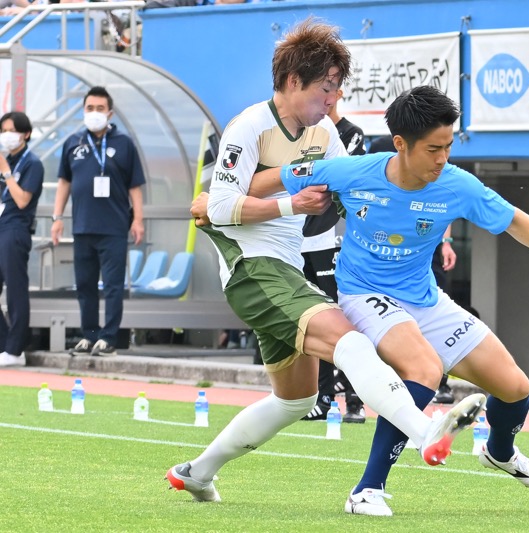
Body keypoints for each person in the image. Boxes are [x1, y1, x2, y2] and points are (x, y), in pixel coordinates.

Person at [226, 85, 529, 516]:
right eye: (433, 149)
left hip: (425, 299)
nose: (443, 158)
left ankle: (500, 452)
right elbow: (265, 181)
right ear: (400, 144)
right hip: (363, 293)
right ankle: (367, 490)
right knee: (424, 370)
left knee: (516, 390)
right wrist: (220, 201)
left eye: (448, 146)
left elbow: (514, 221)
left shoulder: (457, 185)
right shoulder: (352, 172)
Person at [173, 19, 486, 504]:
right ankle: (425, 435)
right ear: (294, 81)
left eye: (337, 90)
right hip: (252, 269)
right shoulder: (248, 127)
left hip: (286, 271)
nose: (331, 101)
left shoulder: (323, 132)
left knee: (295, 399)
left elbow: (349, 185)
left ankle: (198, 472)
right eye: (326, 89)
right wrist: (289, 205)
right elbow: (214, 207)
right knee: (351, 341)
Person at [51, 86, 146, 357]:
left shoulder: (124, 144)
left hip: (114, 228)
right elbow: (63, 183)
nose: (94, 113)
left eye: (100, 109)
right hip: (82, 227)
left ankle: (109, 337)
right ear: (84, 111)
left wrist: (137, 219)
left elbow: (135, 186)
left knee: (113, 286)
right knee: (85, 286)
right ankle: (89, 335)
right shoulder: (73, 143)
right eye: (89, 108)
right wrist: (57, 218)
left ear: (110, 112)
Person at [368, 134, 457, 405]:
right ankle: (391, 380)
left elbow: (442, 206)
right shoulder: (378, 154)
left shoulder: (430, 167)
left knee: (428, 313)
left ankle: (440, 382)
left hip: (423, 252)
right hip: (388, 258)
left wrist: (446, 242)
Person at [301, 87, 366, 424]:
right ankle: (322, 397)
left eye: (329, 91)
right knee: (315, 320)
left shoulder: (350, 135)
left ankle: (356, 401)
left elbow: (339, 182)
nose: (323, 99)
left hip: (332, 240)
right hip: (298, 240)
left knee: (344, 319)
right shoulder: (300, 132)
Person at [0, 111, 44, 367]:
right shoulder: (9, 160)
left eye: (12, 130)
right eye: (3, 130)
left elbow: (22, 199)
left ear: (26, 134)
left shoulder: (32, 163)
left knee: (15, 290)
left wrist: (6, 173)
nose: (7, 136)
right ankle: (5, 344)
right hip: (2, 226)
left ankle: (16, 350)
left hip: (16, 229)